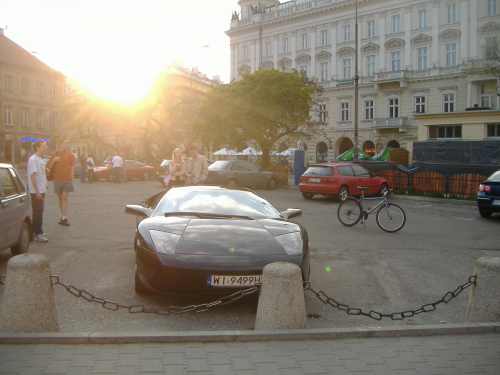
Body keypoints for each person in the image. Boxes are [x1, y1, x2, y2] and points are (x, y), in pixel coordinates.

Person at [46, 137, 76, 226]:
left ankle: (64, 217)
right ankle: (62, 216)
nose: (68, 145)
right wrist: (54, 160)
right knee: (60, 198)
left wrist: (71, 178)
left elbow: (72, 167)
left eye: (68, 143)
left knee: (64, 198)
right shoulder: (54, 154)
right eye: (66, 143)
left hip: (67, 180)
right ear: (61, 143)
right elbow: (49, 167)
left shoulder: (70, 154)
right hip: (57, 179)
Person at [27, 140, 49, 242]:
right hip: (37, 191)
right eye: (43, 146)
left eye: (45, 146)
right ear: (37, 148)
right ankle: (38, 234)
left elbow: (39, 174)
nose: (45, 147)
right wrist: (37, 192)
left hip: (41, 189)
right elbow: (32, 176)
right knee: (38, 212)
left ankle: (36, 231)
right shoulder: (33, 159)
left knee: (39, 211)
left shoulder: (39, 159)